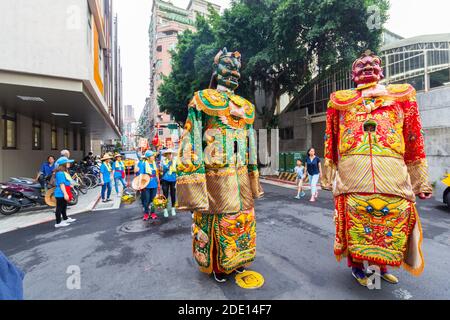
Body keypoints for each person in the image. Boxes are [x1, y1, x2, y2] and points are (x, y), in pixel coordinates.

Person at [322, 50, 433, 287]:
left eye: (373, 64)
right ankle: (357, 268)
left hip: (391, 175)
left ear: (381, 70)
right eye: (361, 65)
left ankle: (379, 268)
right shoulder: (340, 101)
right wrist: (328, 174)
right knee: (355, 222)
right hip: (353, 176)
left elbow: (413, 137)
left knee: (389, 221)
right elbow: (330, 138)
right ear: (353, 74)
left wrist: (420, 181)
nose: (368, 67)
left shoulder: (399, 97)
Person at [177, 48, 263, 283]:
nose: (234, 72)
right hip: (215, 177)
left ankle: (237, 261)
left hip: (241, 176)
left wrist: (253, 173)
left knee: (241, 219)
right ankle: (216, 264)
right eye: (228, 67)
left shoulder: (245, 106)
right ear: (216, 70)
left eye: (237, 69)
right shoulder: (202, 99)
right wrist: (194, 179)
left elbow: (250, 143)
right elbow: (191, 139)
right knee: (218, 220)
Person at [136, 150, 160, 221]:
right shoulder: (144, 164)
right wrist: (140, 184)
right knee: (146, 200)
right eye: (152, 156)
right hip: (146, 184)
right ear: (148, 157)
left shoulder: (154, 163)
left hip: (154, 184)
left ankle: (152, 213)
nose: (153, 157)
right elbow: (141, 174)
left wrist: (158, 182)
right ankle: (146, 213)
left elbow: (156, 174)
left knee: (153, 200)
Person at [53, 157, 77, 228]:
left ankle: (65, 218)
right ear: (63, 164)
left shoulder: (63, 172)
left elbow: (65, 182)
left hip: (63, 191)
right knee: (59, 207)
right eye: (68, 162)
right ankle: (58, 222)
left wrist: (70, 184)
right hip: (60, 192)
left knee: (64, 206)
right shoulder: (60, 173)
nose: (69, 163)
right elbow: (61, 184)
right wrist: (65, 194)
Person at [160, 149, 177, 218]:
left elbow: (178, 169)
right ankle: (165, 209)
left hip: (173, 179)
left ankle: (173, 208)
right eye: (168, 154)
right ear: (166, 155)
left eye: (171, 154)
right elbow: (162, 169)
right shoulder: (163, 161)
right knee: (165, 195)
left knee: (173, 194)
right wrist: (169, 163)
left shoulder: (175, 161)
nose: (170, 155)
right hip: (165, 179)